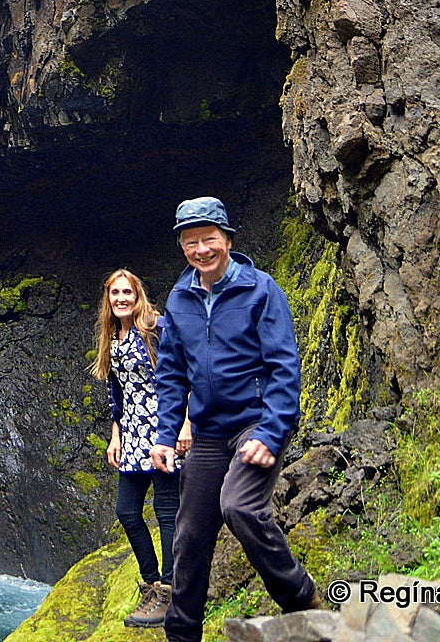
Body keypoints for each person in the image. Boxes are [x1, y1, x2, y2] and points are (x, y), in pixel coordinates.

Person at [150, 197, 320, 642]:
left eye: (208, 239)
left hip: (255, 422)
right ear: (183, 247)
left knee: (240, 506)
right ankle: (182, 634)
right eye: (191, 242)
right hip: (208, 431)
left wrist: (271, 430)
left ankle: (303, 600)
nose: (201, 249)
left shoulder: (261, 289)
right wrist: (166, 435)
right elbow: (170, 373)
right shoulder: (179, 298)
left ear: (227, 239)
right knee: (189, 537)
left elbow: (284, 366)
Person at [91, 269, 192, 627]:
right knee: (127, 511)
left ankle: (169, 590)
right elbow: (116, 392)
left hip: (163, 427)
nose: (121, 299)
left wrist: (185, 423)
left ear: (138, 295)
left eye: (127, 292)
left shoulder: (155, 327)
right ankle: (151, 582)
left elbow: (186, 371)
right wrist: (116, 433)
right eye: (115, 293)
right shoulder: (112, 336)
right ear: (108, 298)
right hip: (132, 433)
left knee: (166, 510)